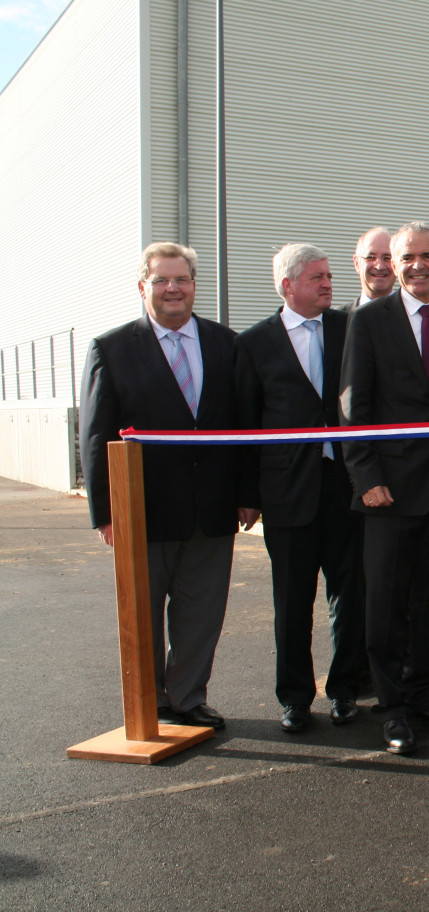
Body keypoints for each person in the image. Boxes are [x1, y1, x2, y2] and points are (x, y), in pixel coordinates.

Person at [79, 242, 241, 730]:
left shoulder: (225, 344)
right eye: (162, 280)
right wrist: (105, 512)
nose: (174, 288)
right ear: (143, 287)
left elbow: (242, 424)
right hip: (142, 510)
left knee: (201, 614)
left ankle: (188, 697)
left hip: (212, 509)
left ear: (194, 285)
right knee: (143, 613)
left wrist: (248, 496)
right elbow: (95, 434)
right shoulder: (111, 348)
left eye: (183, 279)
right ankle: (149, 701)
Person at [339, 221, 429, 755]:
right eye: (406, 258)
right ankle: (392, 706)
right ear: (391, 265)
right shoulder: (370, 320)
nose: (417, 265)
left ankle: (423, 692)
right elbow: (355, 407)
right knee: (386, 603)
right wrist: (367, 478)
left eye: (427, 255)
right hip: (389, 492)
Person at [235, 244, 366, 733]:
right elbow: (246, 425)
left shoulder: (347, 329)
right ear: (288, 285)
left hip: (344, 486)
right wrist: (247, 495)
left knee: (350, 595)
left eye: (330, 275)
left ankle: (346, 690)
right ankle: (294, 697)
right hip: (287, 493)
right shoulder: (254, 344)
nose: (329, 284)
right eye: (318, 277)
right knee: (292, 602)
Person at [347, 227, 394, 310]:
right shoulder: (339, 320)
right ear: (357, 263)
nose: (380, 266)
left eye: (387, 258)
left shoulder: (413, 316)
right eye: (370, 257)